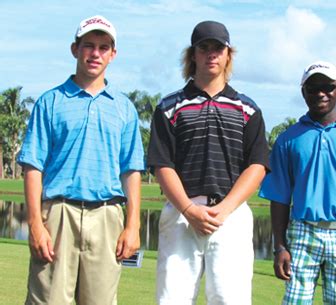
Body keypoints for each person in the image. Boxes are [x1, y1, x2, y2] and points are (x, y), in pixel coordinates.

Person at [17, 15, 144, 305]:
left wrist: (133, 225)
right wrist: (35, 223)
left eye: (103, 47)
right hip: (58, 216)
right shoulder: (50, 102)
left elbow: (131, 170)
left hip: (107, 216)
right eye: (89, 45)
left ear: (113, 55)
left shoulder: (124, 108)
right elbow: (33, 167)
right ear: (75, 49)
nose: (95, 53)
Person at [147, 20, 269, 305]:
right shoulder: (169, 106)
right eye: (204, 48)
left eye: (218, 48)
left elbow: (258, 165)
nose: (211, 54)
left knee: (230, 299)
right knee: (172, 299)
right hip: (181, 214)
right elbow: (162, 164)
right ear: (193, 54)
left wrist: (225, 209)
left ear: (228, 54)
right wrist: (189, 209)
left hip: (231, 214)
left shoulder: (247, 108)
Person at [259, 61, 336, 304]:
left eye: (327, 87)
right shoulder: (288, 139)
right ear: (303, 92)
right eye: (312, 88)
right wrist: (279, 247)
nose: (320, 93)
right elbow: (280, 197)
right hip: (302, 231)